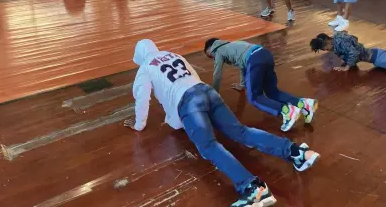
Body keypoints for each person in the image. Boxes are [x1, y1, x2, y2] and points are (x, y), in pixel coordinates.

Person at [125, 39, 320, 207]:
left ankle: (252, 188)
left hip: (188, 103)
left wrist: (138, 125)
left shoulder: (145, 68)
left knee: (209, 146)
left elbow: (142, 100)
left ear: (140, 55)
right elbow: (193, 77)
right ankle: (297, 153)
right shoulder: (173, 55)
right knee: (242, 132)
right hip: (206, 91)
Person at [204, 38, 318, 132]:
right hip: (265, 54)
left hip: (254, 60)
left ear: (212, 48)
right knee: (272, 91)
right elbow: (243, 67)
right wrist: (242, 85)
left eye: (210, 56)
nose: (213, 58)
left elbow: (217, 75)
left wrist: (213, 95)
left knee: (254, 97)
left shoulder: (218, 50)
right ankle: (303, 104)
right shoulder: (233, 45)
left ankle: (287, 111)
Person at [310, 32, 386, 70]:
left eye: (325, 48)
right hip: (376, 58)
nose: (326, 50)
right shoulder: (335, 42)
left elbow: (354, 53)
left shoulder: (340, 41)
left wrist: (347, 66)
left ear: (328, 41)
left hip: (378, 58)